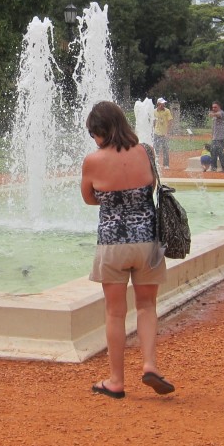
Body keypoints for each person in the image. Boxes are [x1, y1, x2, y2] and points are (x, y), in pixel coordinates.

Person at [81, 101, 174, 399]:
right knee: (146, 307)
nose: (94, 138)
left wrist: (111, 201)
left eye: (95, 133)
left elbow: (89, 198)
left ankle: (116, 380)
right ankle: (149, 364)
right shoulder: (145, 152)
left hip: (113, 243)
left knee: (115, 313)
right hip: (148, 241)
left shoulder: (93, 160)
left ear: (101, 131)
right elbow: (151, 189)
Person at [152, 98, 173, 170]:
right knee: (155, 149)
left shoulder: (167, 111)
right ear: (158, 104)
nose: (163, 104)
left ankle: (166, 164)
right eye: (162, 103)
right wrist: (153, 130)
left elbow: (170, 121)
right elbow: (153, 121)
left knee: (165, 149)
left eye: (164, 103)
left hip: (164, 133)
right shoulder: (154, 111)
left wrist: (167, 132)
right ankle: (156, 164)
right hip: (156, 133)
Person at [207, 102, 224, 172]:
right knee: (213, 152)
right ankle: (214, 167)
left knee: (220, 153)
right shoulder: (214, 116)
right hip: (215, 137)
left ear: (219, 107)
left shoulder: (221, 113)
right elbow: (213, 127)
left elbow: (218, 115)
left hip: (221, 137)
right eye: (213, 107)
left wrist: (212, 114)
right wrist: (212, 135)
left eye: (215, 107)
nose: (213, 108)